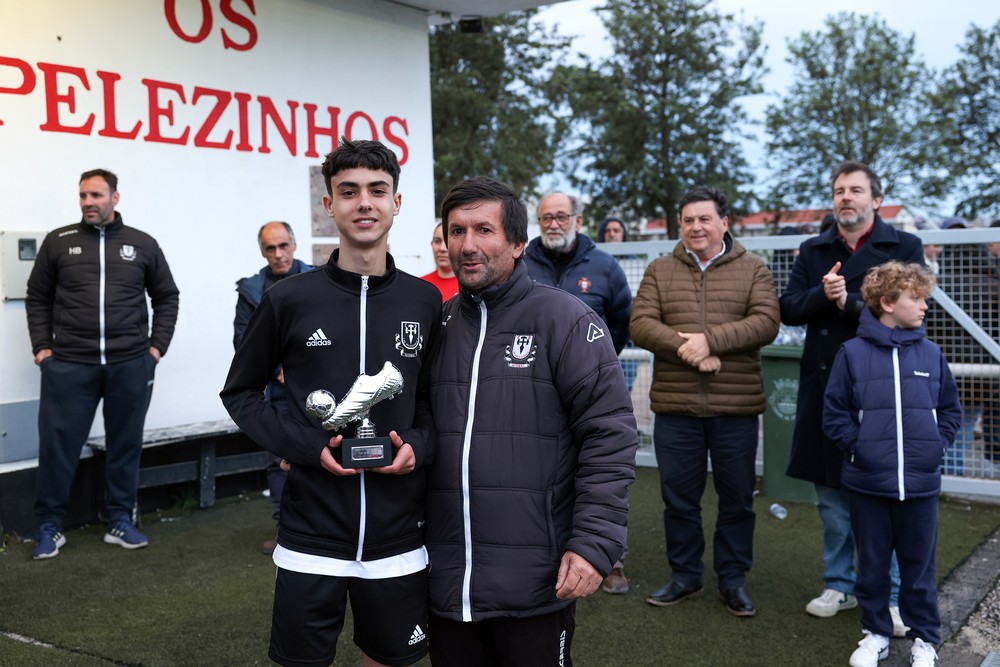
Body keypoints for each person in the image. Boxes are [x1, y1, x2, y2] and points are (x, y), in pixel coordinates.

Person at [220, 139, 441, 667]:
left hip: (398, 530)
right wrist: (305, 445)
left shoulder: (425, 300)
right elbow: (240, 393)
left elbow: (434, 400)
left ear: (397, 202)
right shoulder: (288, 298)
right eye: (349, 192)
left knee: (390, 657)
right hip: (311, 528)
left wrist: (416, 445)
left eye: (377, 191)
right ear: (329, 206)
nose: (364, 203)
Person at [424, 176, 637, 667]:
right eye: (456, 231)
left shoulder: (566, 320)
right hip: (448, 583)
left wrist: (593, 544)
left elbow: (609, 437)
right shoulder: (436, 326)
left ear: (519, 244)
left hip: (536, 582)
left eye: (484, 230)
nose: (468, 245)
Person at [781, 161, 923, 632]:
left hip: (886, 390)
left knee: (889, 499)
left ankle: (895, 597)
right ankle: (839, 584)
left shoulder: (904, 246)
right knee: (832, 500)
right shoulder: (813, 249)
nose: (846, 197)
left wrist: (851, 303)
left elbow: (912, 314)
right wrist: (824, 296)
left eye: (856, 190)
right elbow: (789, 309)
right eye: (840, 190)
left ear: (876, 200)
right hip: (827, 390)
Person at [631, 185, 780, 617]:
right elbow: (640, 323)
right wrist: (688, 348)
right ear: (680, 225)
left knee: (737, 499)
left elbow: (767, 321)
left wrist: (710, 340)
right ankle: (685, 576)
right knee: (679, 499)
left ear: (724, 224)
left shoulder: (754, 268)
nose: (696, 226)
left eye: (704, 219)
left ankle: (732, 580)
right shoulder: (659, 269)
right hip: (676, 408)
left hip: (736, 407)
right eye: (688, 220)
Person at [26, 168, 180, 560]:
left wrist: (155, 350)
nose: (88, 202)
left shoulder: (142, 244)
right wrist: (43, 349)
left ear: (115, 197)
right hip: (70, 365)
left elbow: (167, 297)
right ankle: (49, 526)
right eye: (82, 196)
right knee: (58, 447)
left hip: (130, 364)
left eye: (96, 195)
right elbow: (37, 297)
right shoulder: (59, 242)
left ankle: (119, 520)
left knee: (125, 445)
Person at [823, 261, 961, 667]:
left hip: (920, 483)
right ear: (886, 302)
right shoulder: (852, 353)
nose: (924, 306)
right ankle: (876, 633)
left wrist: (935, 447)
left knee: (918, 569)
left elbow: (951, 410)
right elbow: (834, 414)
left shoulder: (932, 354)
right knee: (873, 567)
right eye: (915, 298)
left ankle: (925, 641)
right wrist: (860, 448)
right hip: (867, 483)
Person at [233, 221, 312, 555]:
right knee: (278, 460)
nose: (278, 254)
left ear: (294, 245)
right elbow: (243, 341)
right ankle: (286, 532)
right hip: (275, 392)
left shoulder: (316, 279)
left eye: (283, 245)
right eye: (271, 248)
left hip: (315, 390)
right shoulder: (252, 290)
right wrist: (278, 370)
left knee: (317, 454)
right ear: (262, 252)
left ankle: (319, 529)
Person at [523, 191, 633, 354]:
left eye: (561, 217)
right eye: (547, 218)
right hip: (534, 373)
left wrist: (599, 360)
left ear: (578, 221)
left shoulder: (606, 266)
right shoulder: (521, 266)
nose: (553, 225)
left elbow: (621, 323)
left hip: (589, 374)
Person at [420, 221, 459, 300]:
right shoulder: (420, 285)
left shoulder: (471, 285)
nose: (442, 248)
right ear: (432, 244)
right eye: (437, 241)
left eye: (447, 242)